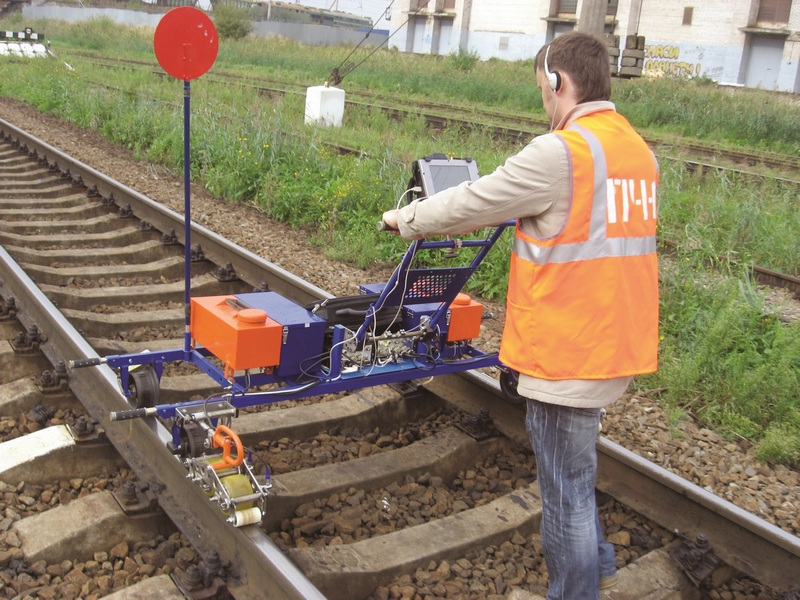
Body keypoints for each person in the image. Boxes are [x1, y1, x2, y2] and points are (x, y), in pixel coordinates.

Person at [381, 31, 659, 599]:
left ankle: (574, 593)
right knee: (577, 475)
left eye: (542, 90)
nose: (543, 103)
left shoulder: (562, 152)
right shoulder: (635, 149)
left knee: (564, 495)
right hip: (614, 346)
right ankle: (597, 565)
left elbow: (474, 200)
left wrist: (403, 219)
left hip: (566, 356)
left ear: (559, 82)